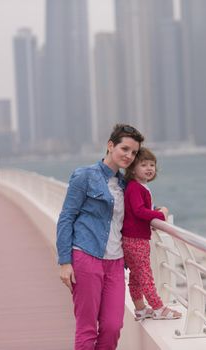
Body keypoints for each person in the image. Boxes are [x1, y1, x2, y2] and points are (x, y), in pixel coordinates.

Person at [56, 124, 144, 349]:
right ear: (110, 145)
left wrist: (157, 211)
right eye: (124, 149)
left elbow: (134, 213)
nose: (129, 156)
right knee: (87, 328)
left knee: (113, 327)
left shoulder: (125, 185)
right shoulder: (85, 176)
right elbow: (67, 217)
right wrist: (65, 261)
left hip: (115, 263)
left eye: (133, 152)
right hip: (86, 256)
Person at [122, 147, 182, 320]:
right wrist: (160, 214)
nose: (149, 168)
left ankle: (141, 308)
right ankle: (158, 308)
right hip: (136, 239)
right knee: (145, 275)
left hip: (132, 238)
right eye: (143, 165)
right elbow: (139, 211)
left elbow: (140, 210)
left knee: (136, 275)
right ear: (133, 168)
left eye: (152, 165)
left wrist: (153, 211)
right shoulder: (135, 187)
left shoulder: (139, 186)